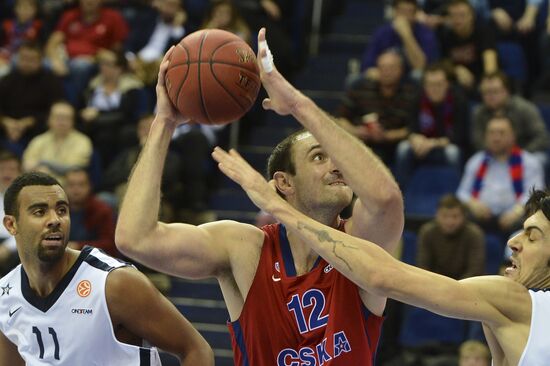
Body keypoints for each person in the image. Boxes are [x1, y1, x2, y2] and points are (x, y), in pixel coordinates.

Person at [116, 28, 404, 365]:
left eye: (336, 156)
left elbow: (385, 200)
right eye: (318, 157)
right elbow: (134, 238)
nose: (337, 165)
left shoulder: (361, 243)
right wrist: (163, 123)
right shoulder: (245, 249)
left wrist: (297, 104)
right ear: (284, 182)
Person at [211, 128, 550, 366]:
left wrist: (275, 204)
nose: (512, 243)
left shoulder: (514, 300)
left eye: (532, 236)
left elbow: (379, 274)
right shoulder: (510, 310)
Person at [0, 171, 214, 365]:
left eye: (62, 210)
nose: (55, 220)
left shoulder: (115, 283)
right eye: (39, 212)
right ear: (11, 224)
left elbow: (196, 350)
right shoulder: (4, 295)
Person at [457, 116, 545, 236]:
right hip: (481, 217)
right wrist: (473, 204)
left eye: (501, 133)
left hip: (517, 218)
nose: (496, 138)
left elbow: (536, 195)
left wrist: (516, 212)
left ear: (513, 135)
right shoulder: (476, 161)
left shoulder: (529, 162)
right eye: (491, 133)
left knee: (531, 220)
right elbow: (462, 192)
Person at [472, 72, 549, 165]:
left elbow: (541, 137)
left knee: (539, 159)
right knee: (475, 162)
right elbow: (478, 140)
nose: (490, 96)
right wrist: (496, 153)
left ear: (506, 91)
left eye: (495, 91)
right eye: (486, 92)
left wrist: (521, 154)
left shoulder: (524, 108)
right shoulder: (479, 112)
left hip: (525, 152)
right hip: (493, 154)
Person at [361, 0, 439, 79]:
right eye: (401, 11)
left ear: (416, 14)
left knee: (417, 75)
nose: (405, 17)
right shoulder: (382, 32)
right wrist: (384, 74)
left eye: (409, 12)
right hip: (384, 76)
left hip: (409, 79)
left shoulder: (426, 34)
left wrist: (406, 35)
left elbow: (422, 67)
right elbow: (367, 66)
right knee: (354, 80)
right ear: (394, 12)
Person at [417, 194, 485, 280]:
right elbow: (423, 268)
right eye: (444, 216)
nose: (449, 221)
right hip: (435, 285)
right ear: (436, 215)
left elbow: (475, 270)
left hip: (466, 286)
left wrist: (455, 288)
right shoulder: (427, 233)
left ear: (464, 216)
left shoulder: (474, 234)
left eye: (455, 216)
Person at [22, 100, 93, 184]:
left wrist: (44, 164)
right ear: (49, 119)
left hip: (68, 191)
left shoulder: (83, 141)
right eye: (58, 117)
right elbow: (27, 166)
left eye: (66, 118)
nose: (62, 122)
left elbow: (71, 169)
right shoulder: (38, 141)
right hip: (40, 189)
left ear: (73, 121)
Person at [65, 167, 119, 258]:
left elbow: (111, 246)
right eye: (71, 185)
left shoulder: (102, 210)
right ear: (64, 187)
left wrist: (79, 246)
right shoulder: (57, 211)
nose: (76, 190)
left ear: (90, 186)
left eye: (81, 185)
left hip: (94, 261)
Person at [0, 151, 21, 276]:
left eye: (12, 169)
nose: (7, 174)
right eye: (2, 169)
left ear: (20, 173)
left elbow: (27, 230)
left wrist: (7, 247)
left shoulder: (26, 200)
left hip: (15, 248)